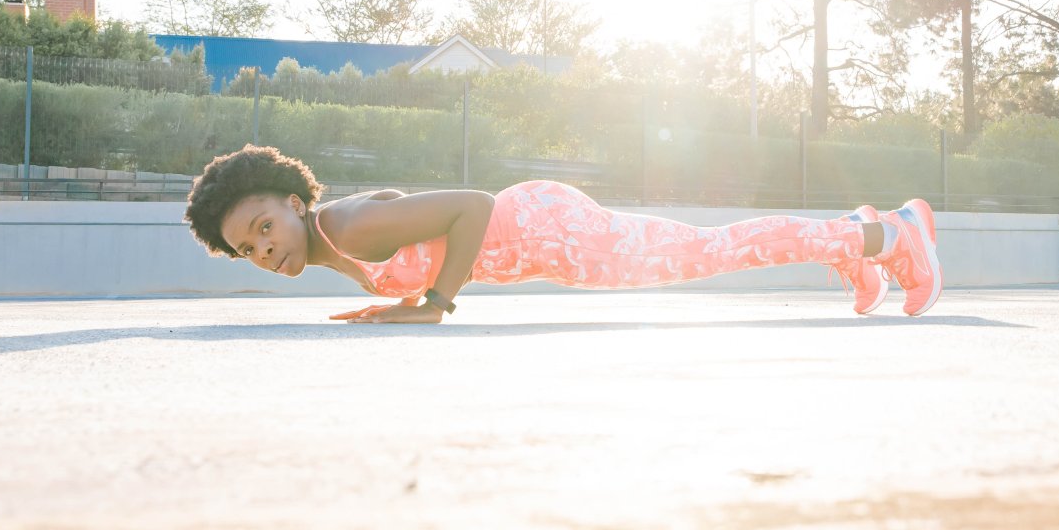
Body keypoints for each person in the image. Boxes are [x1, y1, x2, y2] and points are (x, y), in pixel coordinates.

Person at [184, 144, 943, 324]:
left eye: (262, 226)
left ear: (292, 201)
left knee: (712, 250)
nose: (264, 249)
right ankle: (857, 240)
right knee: (709, 249)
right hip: (548, 242)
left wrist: (434, 303)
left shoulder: (347, 224)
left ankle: (893, 237)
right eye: (247, 249)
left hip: (551, 231)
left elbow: (473, 206)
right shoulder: (336, 241)